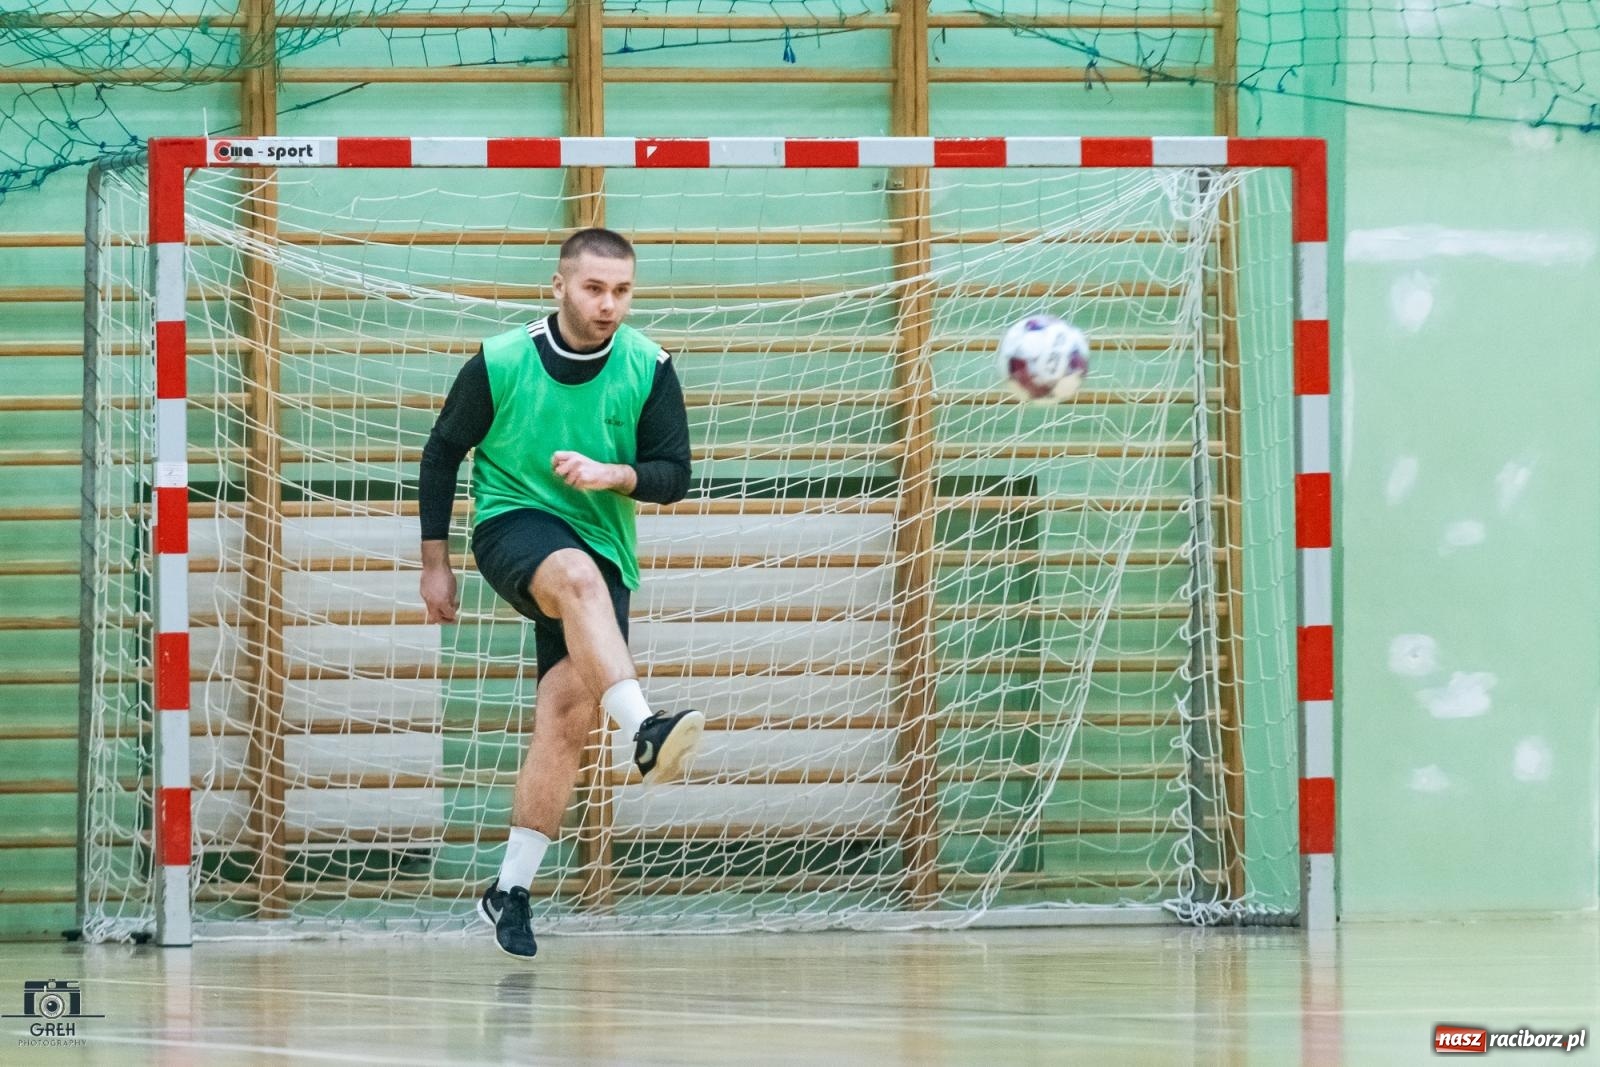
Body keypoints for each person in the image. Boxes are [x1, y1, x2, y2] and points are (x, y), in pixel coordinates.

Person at [417, 227, 703, 960]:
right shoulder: (503, 360)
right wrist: (435, 562)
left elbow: (674, 473)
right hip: (512, 523)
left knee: (566, 718)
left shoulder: (648, 364)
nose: (610, 304)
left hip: (604, 545)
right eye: (594, 287)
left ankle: (508, 890)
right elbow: (443, 450)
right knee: (571, 575)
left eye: (623, 290)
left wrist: (615, 475)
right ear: (560, 285)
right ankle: (645, 728)